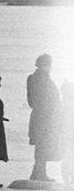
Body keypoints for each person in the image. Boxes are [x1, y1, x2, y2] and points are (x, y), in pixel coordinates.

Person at [26, 53, 61, 181]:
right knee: (43, 145)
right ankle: (39, 172)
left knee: (43, 145)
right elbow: (39, 100)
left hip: (43, 116)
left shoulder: (36, 78)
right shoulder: (40, 79)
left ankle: (39, 171)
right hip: (44, 117)